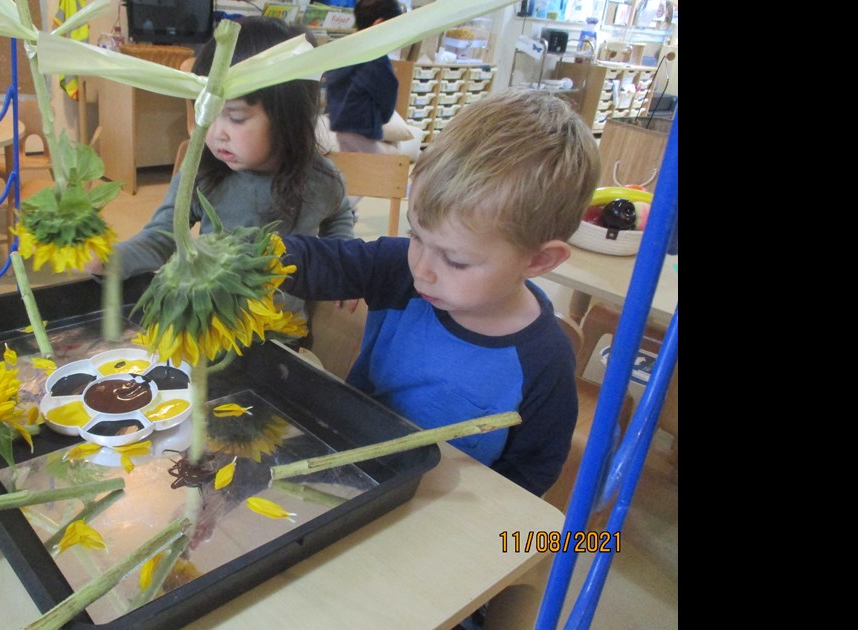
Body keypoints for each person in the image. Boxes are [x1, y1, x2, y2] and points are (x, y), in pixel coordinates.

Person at [279, 88, 601, 497]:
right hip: (352, 470)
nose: (423, 271)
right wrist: (256, 260)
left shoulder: (544, 361)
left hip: (444, 508)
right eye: (416, 235)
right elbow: (318, 262)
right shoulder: (398, 268)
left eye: (456, 260)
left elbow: (531, 474)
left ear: (538, 261)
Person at [88, 17, 356, 322]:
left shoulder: (321, 180)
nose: (215, 133)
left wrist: (342, 265)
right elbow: (162, 237)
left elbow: (338, 216)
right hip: (210, 324)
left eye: (236, 117)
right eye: (207, 112)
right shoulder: (200, 173)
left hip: (282, 333)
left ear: (289, 117)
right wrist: (111, 261)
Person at [322, 0, 403, 155]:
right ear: (380, 24)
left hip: (341, 125)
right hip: (364, 128)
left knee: (351, 164)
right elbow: (387, 95)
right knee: (374, 168)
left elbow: (331, 85)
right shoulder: (376, 58)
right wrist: (383, 118)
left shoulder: (345, 52)